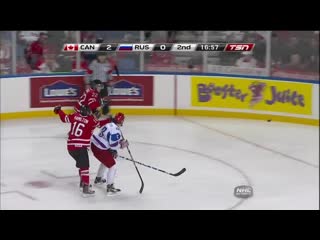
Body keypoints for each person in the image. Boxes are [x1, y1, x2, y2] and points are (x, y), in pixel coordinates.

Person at [53, 105, 112, 197]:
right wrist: (110, 120)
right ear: (88, 113)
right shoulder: (91, 120)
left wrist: (59, 111)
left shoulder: (75, 116)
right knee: (85, 167)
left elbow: (64, 118)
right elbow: (100, 124)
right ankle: (86, 188)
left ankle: (82, 184)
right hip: (80, 147)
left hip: (70, 147)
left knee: (82, 165)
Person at [90, 112, 129, 194]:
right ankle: (110, 187)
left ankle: (98, 179)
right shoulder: (116, 130)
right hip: (100, 149)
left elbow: (107, 138)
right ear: (121, 121)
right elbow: (113, 145)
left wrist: (114, 148)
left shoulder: (109, 124)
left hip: (95, 145)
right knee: (112, 166)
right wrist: (122, 145)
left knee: (106, 162)